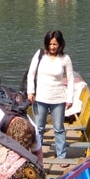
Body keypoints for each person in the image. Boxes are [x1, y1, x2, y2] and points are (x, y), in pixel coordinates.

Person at [26, 30, 75, 161]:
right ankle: (37, 156)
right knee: (39, 128)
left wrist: (70, 98)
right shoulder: (40, 55)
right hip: (40, 97)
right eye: (50, 44)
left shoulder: (65, 59)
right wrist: (30, 91)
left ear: (60, 44)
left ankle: (61, 156)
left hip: (58, 98)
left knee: (58, 128)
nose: (52, 47)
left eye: (55, 44)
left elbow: (70, 79)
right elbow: (31, 74)